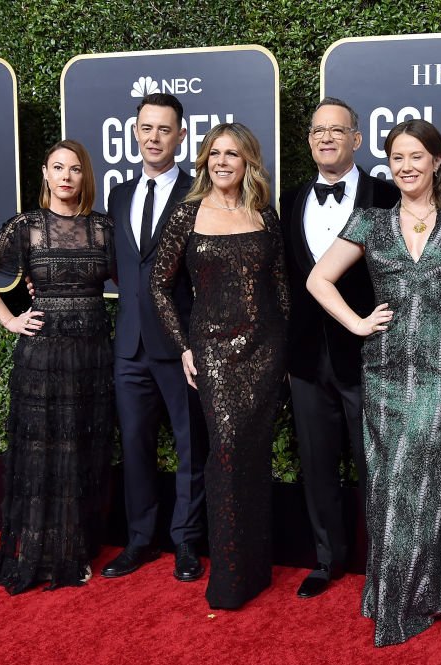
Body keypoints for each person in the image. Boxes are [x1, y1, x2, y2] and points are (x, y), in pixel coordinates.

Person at [307, 118, 441, 647]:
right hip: (385, 367)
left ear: (437, 161)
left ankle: (405, 600)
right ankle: (409, 586)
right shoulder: (370, 221)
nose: (407, 166)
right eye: (397, 157)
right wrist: (356, 323)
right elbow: (317, 279)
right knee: (390, 479)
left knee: (415, 465)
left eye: (417, 156)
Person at [150, 122, 289, 610]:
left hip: (266, 349)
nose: (223, 162)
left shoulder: (264, 214)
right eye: (215, 154)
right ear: (205, 160)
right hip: (211, 350)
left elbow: (281, 287)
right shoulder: (187, 214)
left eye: (233, 154)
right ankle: (229, 577)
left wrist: (285, 353)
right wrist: (184, 346)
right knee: (225, 452)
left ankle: (255, 567)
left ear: (248, 161)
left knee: (252, 456)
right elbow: (158, 286)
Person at [0, 139, 115, 594]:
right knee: (44, 449)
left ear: (84, 176)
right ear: (45, 174)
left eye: (74, 168)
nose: (66, 176)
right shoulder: (26, 226)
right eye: (58, 167)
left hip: (92, 354)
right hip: (44, 355)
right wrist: (10, 319)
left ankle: (76, 544)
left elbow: (133, 279)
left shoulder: (104, 229)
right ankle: (43, 551)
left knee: (84, 447)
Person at [280, 97, 399, 599]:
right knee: (317, 461)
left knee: (377, 466)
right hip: (307, 358)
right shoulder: (288, 201)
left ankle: (385, 567)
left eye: (337, 130)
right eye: (317, 131)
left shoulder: (389, 194)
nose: (326, 138)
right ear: (309, 141)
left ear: (357, 139)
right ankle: (328, 559)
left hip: (372, 354)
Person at [100, 93, 209, 584]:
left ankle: (186, 541)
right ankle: (140, 540)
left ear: (181, 136)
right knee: (136, 447)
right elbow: (123, 267)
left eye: (164, 130)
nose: (154, 138)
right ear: (136, 132)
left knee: (191, 448)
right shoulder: (118, 194)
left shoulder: (198, 193)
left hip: (181, 345)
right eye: (146, 128)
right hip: (128, 347)